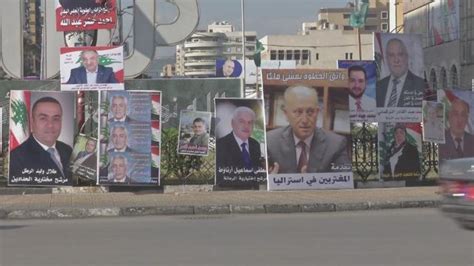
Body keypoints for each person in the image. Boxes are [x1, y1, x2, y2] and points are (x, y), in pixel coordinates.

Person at [266, 85, 350, 174]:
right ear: (286, 114)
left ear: (317, 113)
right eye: (298, 112)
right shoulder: (270, 142)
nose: (305, 120)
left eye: (310, 112)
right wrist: (269, 183)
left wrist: (313, 185)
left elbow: (345, 183)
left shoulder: (336, 145)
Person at [9, 97, 72, 180]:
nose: (50, 125)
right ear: (32, 121)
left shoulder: (67, 150)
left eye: (56, 119)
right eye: (43, 118)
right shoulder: (16, 158)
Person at [376, 38, 425, 107]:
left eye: (400, 54)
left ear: (407, 57)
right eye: (391, 55)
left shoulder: (421, 85)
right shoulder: (378, 87)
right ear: (386, 59)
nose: (396, 60)